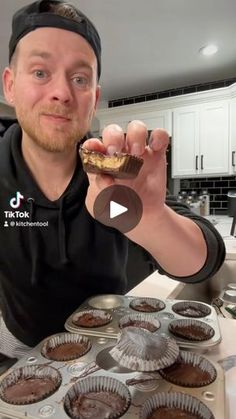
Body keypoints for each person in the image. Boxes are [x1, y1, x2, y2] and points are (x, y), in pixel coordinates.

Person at [0, 0, 225, 360]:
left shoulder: (112, 169)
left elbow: (204, 261)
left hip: (113, 348)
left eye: (80, 78)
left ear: (95, 99)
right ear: (10, 85)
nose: (61, 92)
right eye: (40, 72)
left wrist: (150, 220)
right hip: (20, 347)